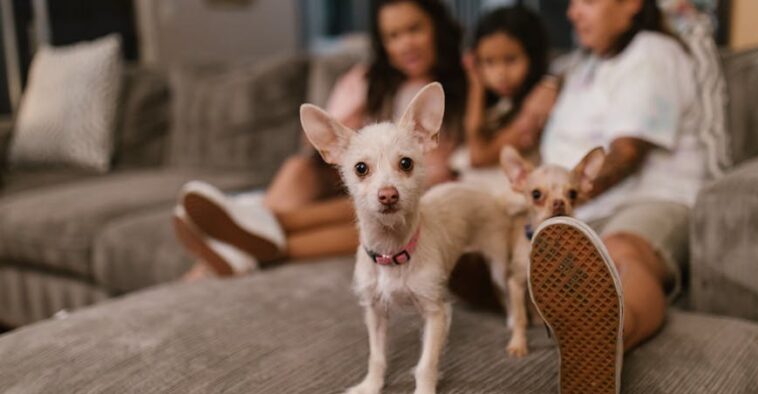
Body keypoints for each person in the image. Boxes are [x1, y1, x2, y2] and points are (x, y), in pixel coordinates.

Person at [174, 0, 467, 280]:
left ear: (436, 27)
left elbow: (471, 155)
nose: (405, 44)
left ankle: (249, 238)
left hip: (412, 193)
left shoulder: (462, 84)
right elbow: (316, 141)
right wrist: (349, 121)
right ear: (383, 44)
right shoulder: (367, 79)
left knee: (377, 214)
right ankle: (249, 232)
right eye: (393, 36)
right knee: (300, 167)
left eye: (414, 29)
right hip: (353, 176)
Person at [526, 0, 706, 392]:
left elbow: (626, 155)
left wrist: (559, 202)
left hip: (655, 196)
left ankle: (606, 340)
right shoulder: (582, 66)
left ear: (632, 5)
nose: (573, 13)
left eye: (587, 1)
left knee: (619, 250)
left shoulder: (652, 52)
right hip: (584, 209)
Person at [461, 5, 555, 169]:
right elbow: (474, 135)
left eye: (510, 59)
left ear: (533, 56)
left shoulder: (537, 101)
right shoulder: (498, 102)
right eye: (489, 62)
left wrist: (476, 87)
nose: (500, 74)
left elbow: (478, 157)